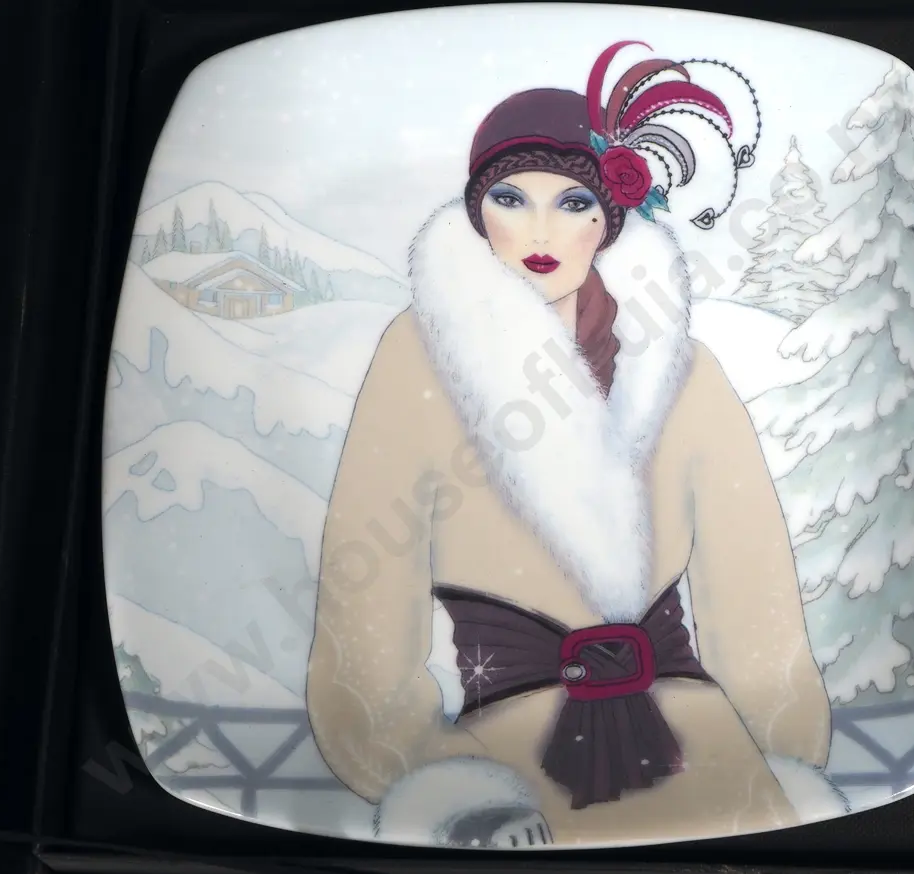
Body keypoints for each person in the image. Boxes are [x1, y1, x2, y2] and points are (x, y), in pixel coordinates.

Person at [306, 41, 841, 849]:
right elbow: (365, 598)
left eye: (574, 202)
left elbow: (753, 585)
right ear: (476, 214)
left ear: (609, 219)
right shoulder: (419, 354)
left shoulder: (681, 367)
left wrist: (785, 746)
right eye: (510, 198)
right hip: (512, 770)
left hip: (707, 751)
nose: (540, 230)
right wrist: (430, 775)